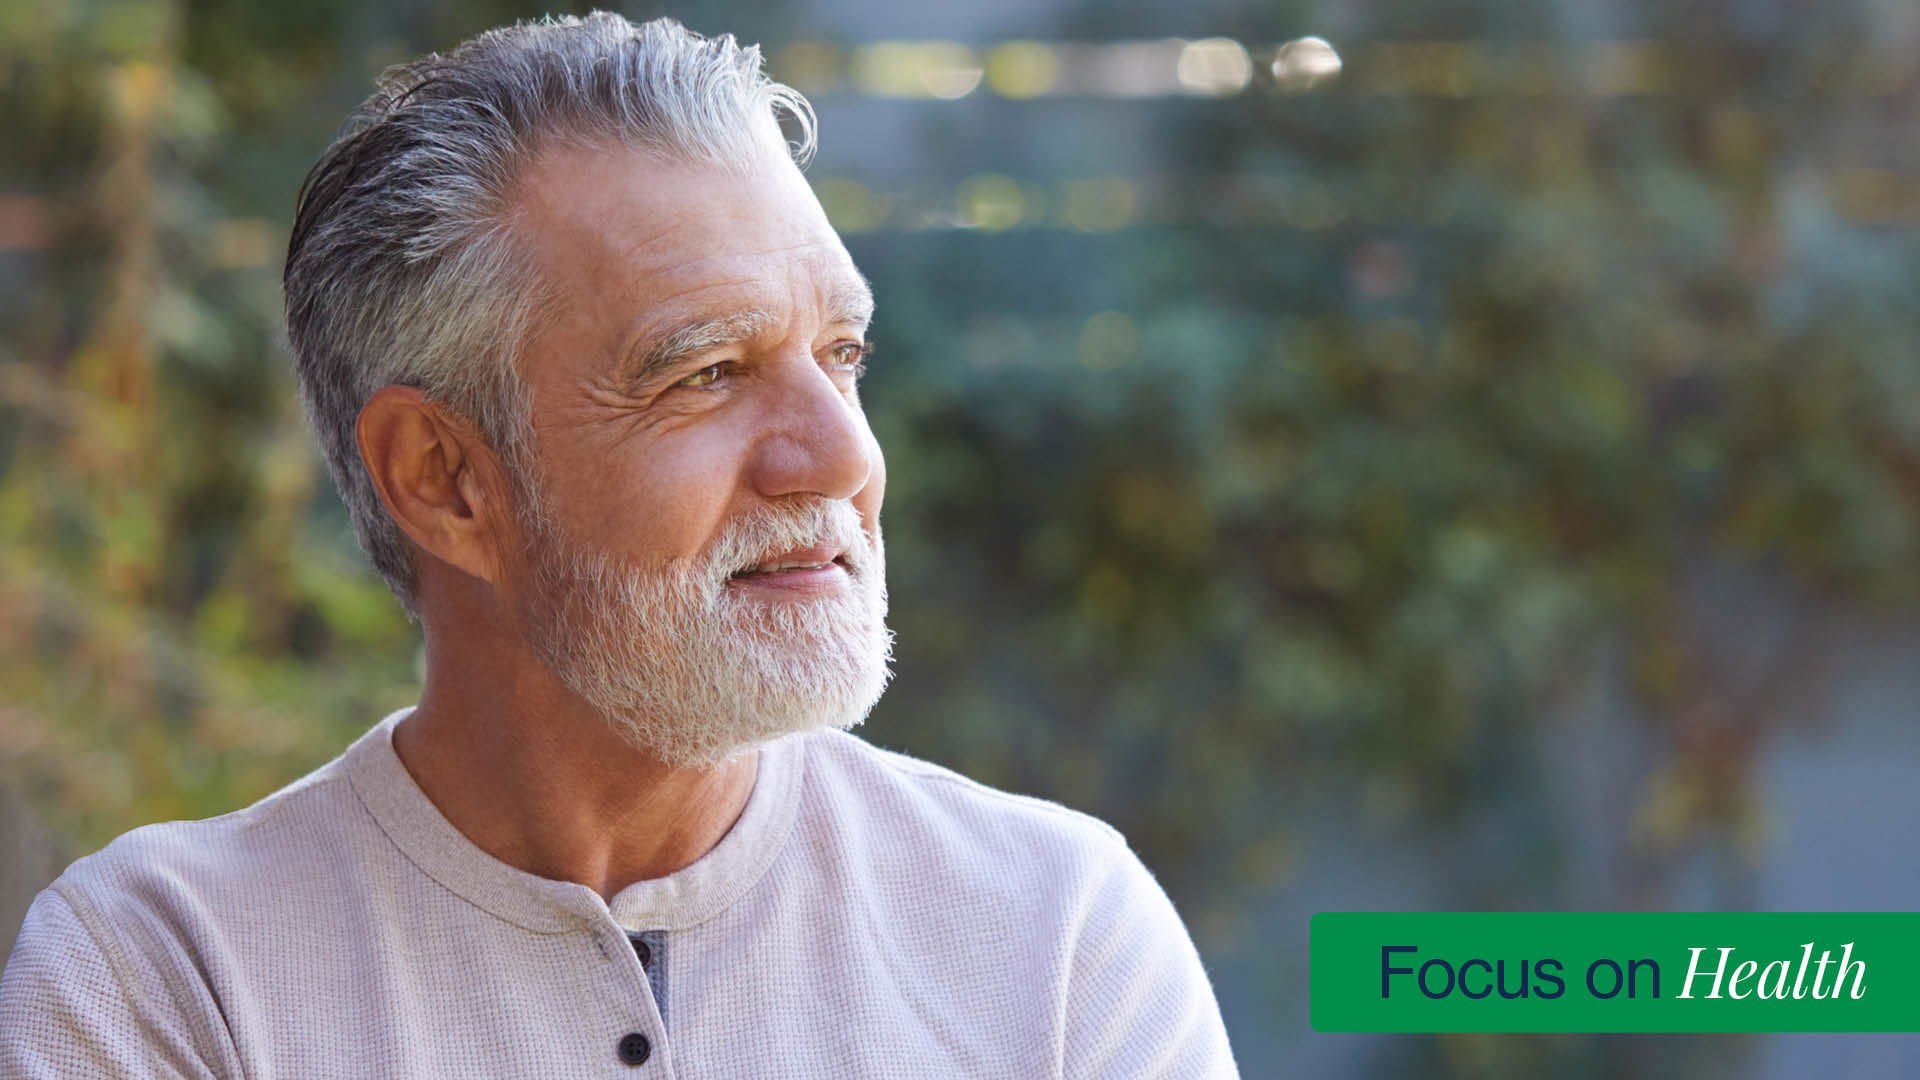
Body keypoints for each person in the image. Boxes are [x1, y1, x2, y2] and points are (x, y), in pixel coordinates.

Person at [0, 13, 1236, 1077]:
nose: (844, 458)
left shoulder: (1058, 934)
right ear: (444, 481)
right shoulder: (167, 971)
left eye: (842, 357)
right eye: (708, 373)